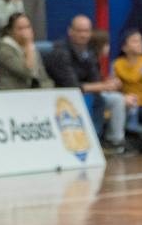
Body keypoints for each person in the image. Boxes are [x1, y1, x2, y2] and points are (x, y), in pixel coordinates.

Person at [47, 15, 127, 154]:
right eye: (79, 31)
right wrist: (103, 86)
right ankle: (91, 142)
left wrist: (109, 83)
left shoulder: (89, 52)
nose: (83, 35)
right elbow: (72, 86)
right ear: (70, 31)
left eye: (86, 31)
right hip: (62, 98)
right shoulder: (60, 52)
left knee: (116, 99)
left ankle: (114, 142)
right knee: (97, 98)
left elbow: (95, 79)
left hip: (88, 95)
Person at [0, 12, 51, 90]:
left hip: (33, 92)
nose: (25, 32)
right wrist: (28, 44)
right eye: (20, 29)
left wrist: (48, 89)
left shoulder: (32, 47)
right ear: (10, 31)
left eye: (28, 27)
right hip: (12, 92)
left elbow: (43, 76)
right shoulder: (4, 50)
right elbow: (27, 72)